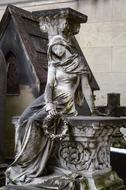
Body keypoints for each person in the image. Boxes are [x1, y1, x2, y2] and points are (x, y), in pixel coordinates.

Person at [5, 35, 94, 186]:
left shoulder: (78, 62)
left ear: (64, 45)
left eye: (58, 47)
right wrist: (49, 103)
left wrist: (93, 110)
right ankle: (21, 162)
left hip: (64, 101)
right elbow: (49, 85)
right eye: (53, 49)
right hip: (49, 98)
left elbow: (85, 87)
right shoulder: (54, 63)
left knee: (34, 121)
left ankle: (31, 164)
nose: (56, 51)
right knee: (22, 120)